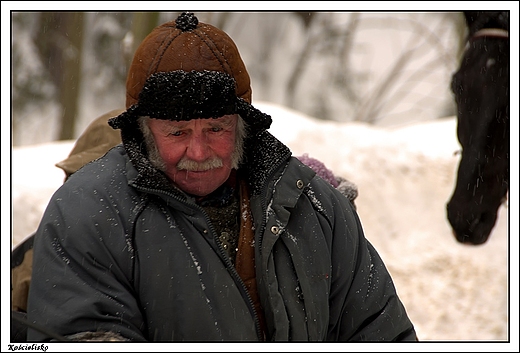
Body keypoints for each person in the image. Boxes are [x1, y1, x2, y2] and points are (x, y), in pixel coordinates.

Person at [26, 12, 417, 342]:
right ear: (143, 134)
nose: (198, 153)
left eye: (216, 129)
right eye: (177, 132)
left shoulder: (315, 208)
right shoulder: (87, 215)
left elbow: (381, 332)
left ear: (242, 126)